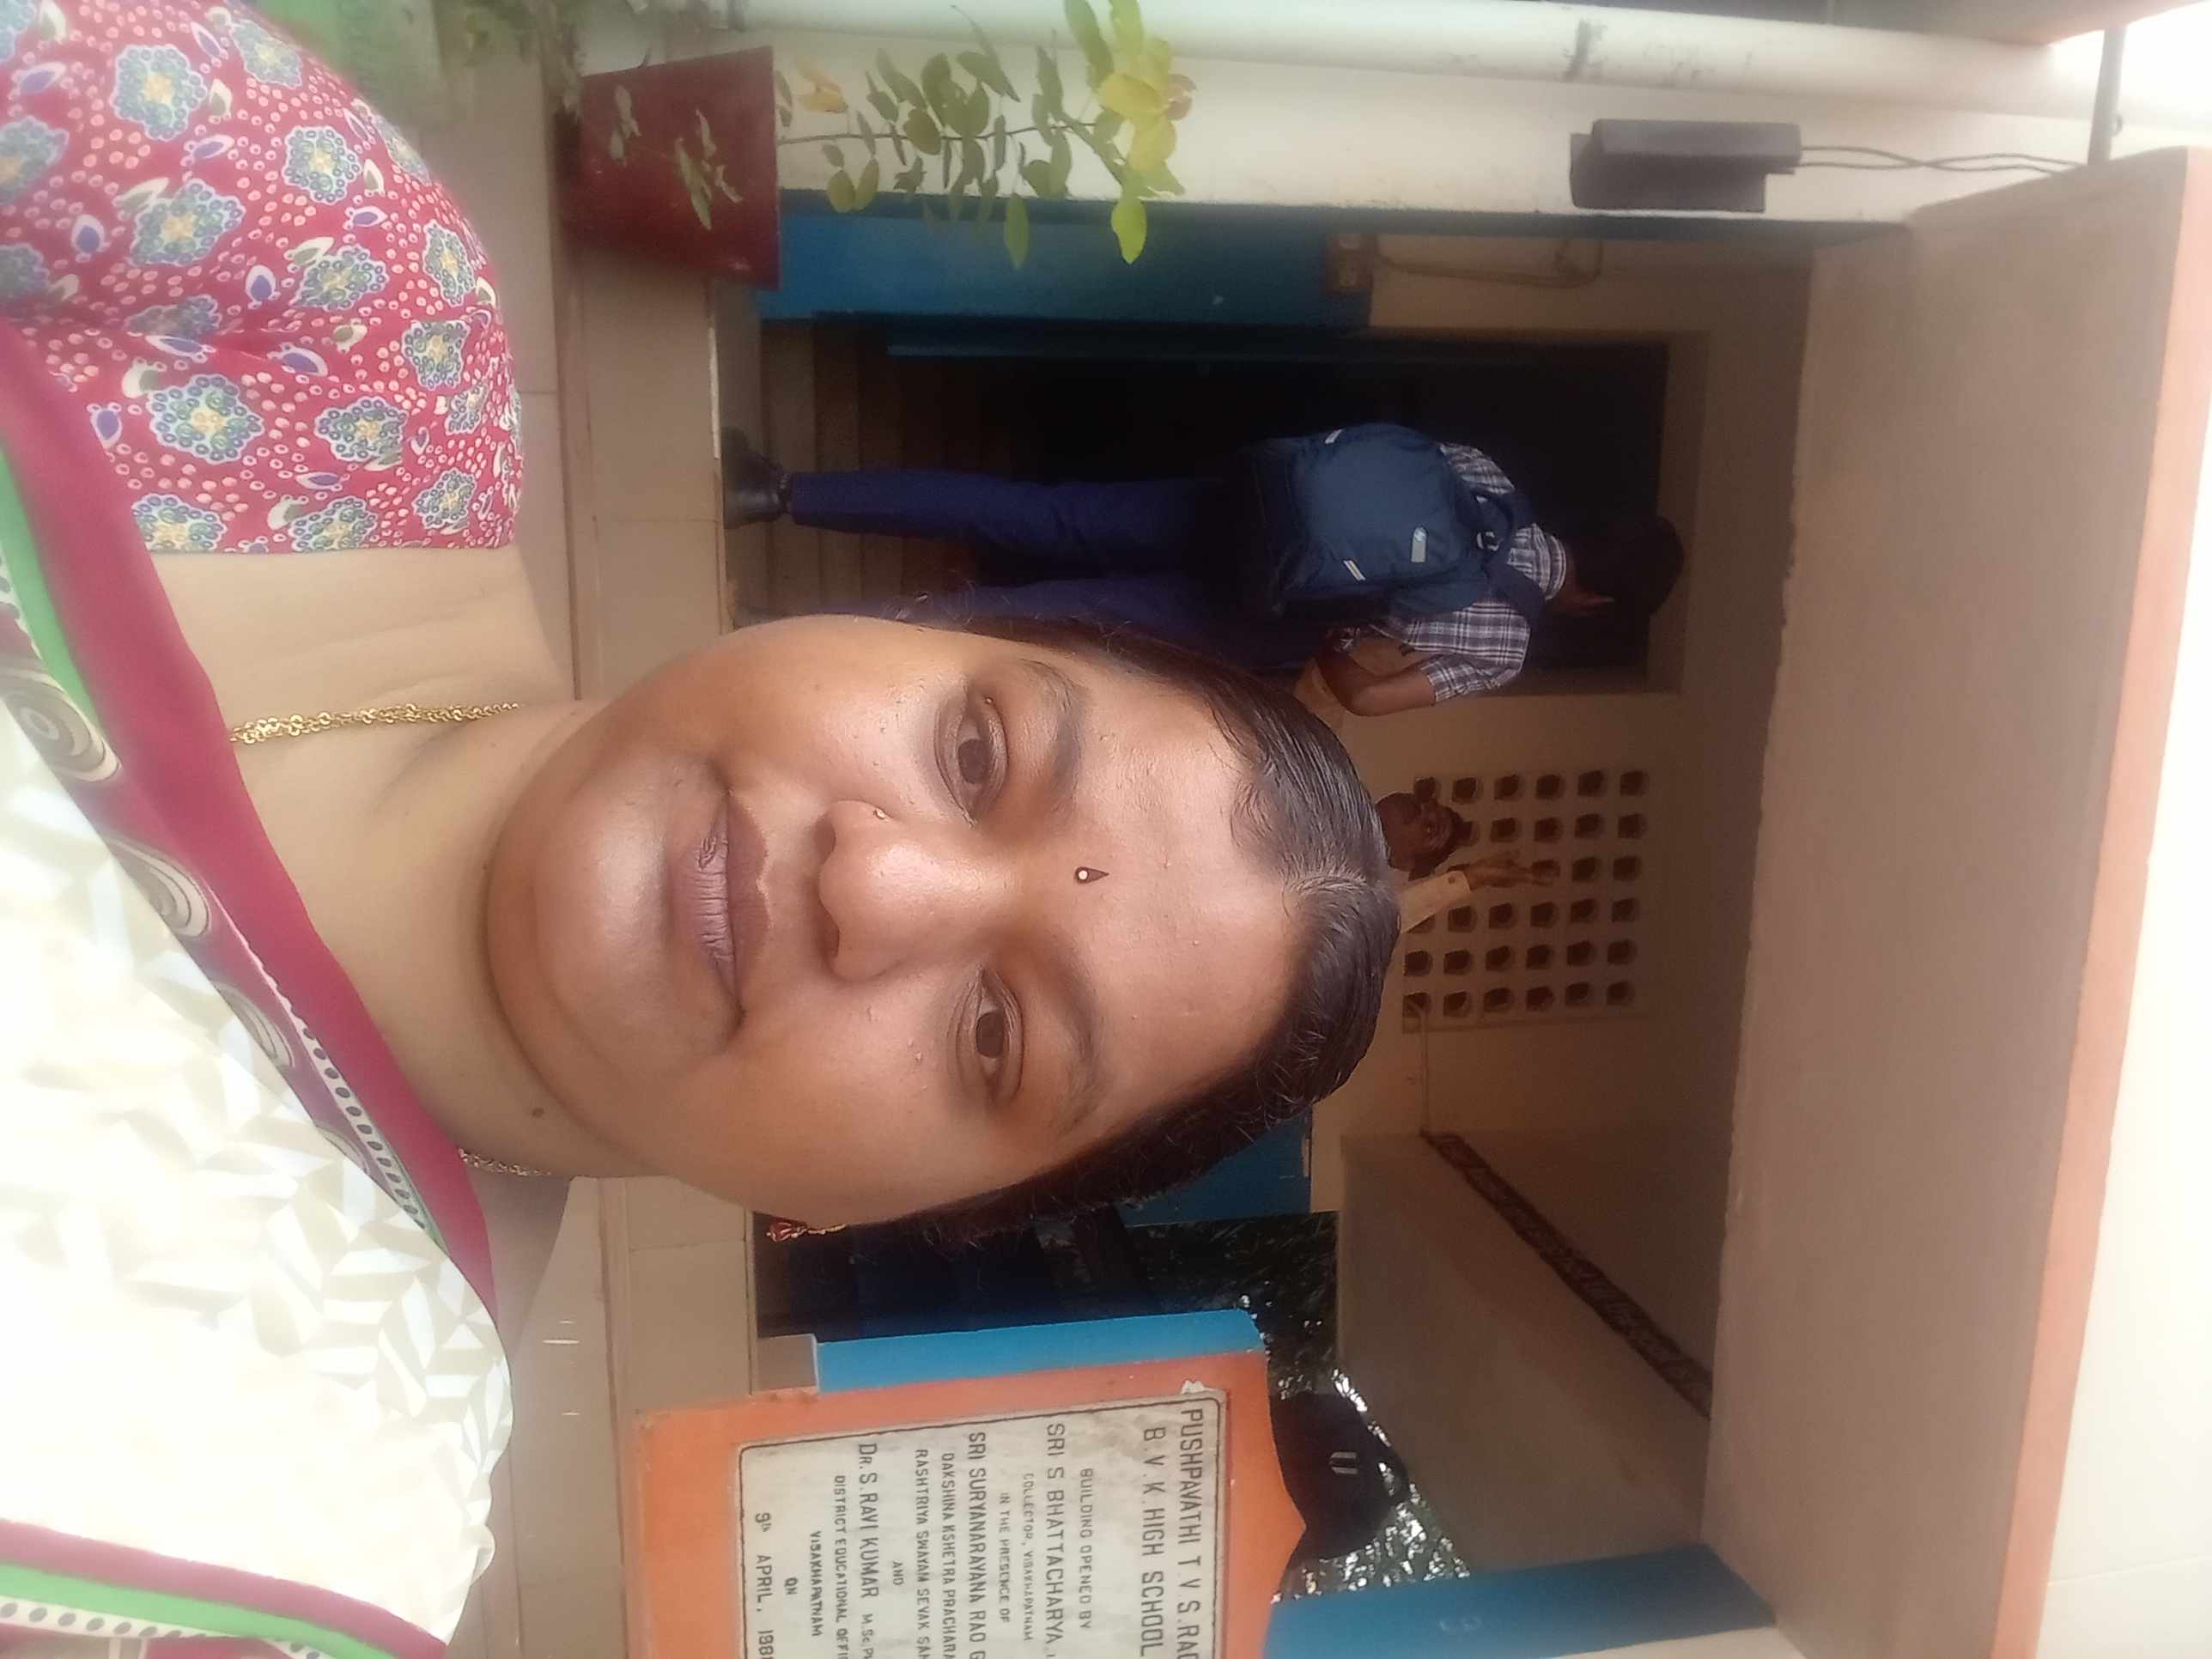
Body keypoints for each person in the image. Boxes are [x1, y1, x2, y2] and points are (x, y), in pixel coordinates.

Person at [0, 5, 1396, 1650]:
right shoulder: (313, 288)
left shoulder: (287, 1512)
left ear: (882, 1214)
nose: (876, 881)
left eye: (995, 1033)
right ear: (906, 620)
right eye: (975, 748)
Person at [726, 433, 1684, 714]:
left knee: (1026, 511)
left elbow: (1342, 462)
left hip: (1229, 505)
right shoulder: (1504, 643)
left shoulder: (1487, 473)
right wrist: (1351, 637)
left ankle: (776, 492)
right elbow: (1361, 696)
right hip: (1255, 610)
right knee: (1012, 620)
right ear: (1596, 600)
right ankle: (778, 643)